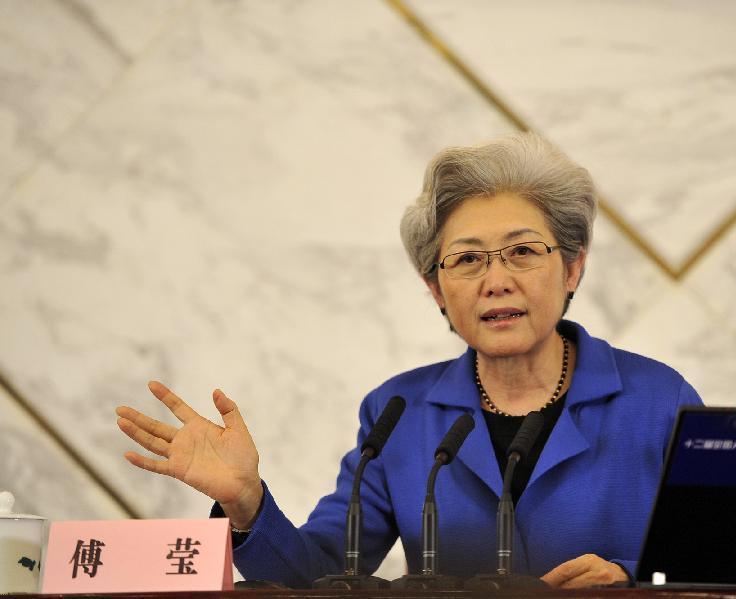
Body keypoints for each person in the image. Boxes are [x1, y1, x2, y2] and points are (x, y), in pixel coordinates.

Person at [116, 132, 703, 589]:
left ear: (572, 267)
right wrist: (246, 506)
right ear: (435, 287)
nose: (496, 281)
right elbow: (322, 576)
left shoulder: (658, 399)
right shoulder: (400, 414)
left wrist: (635, 577)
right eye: (467, 261)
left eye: (522, 252)